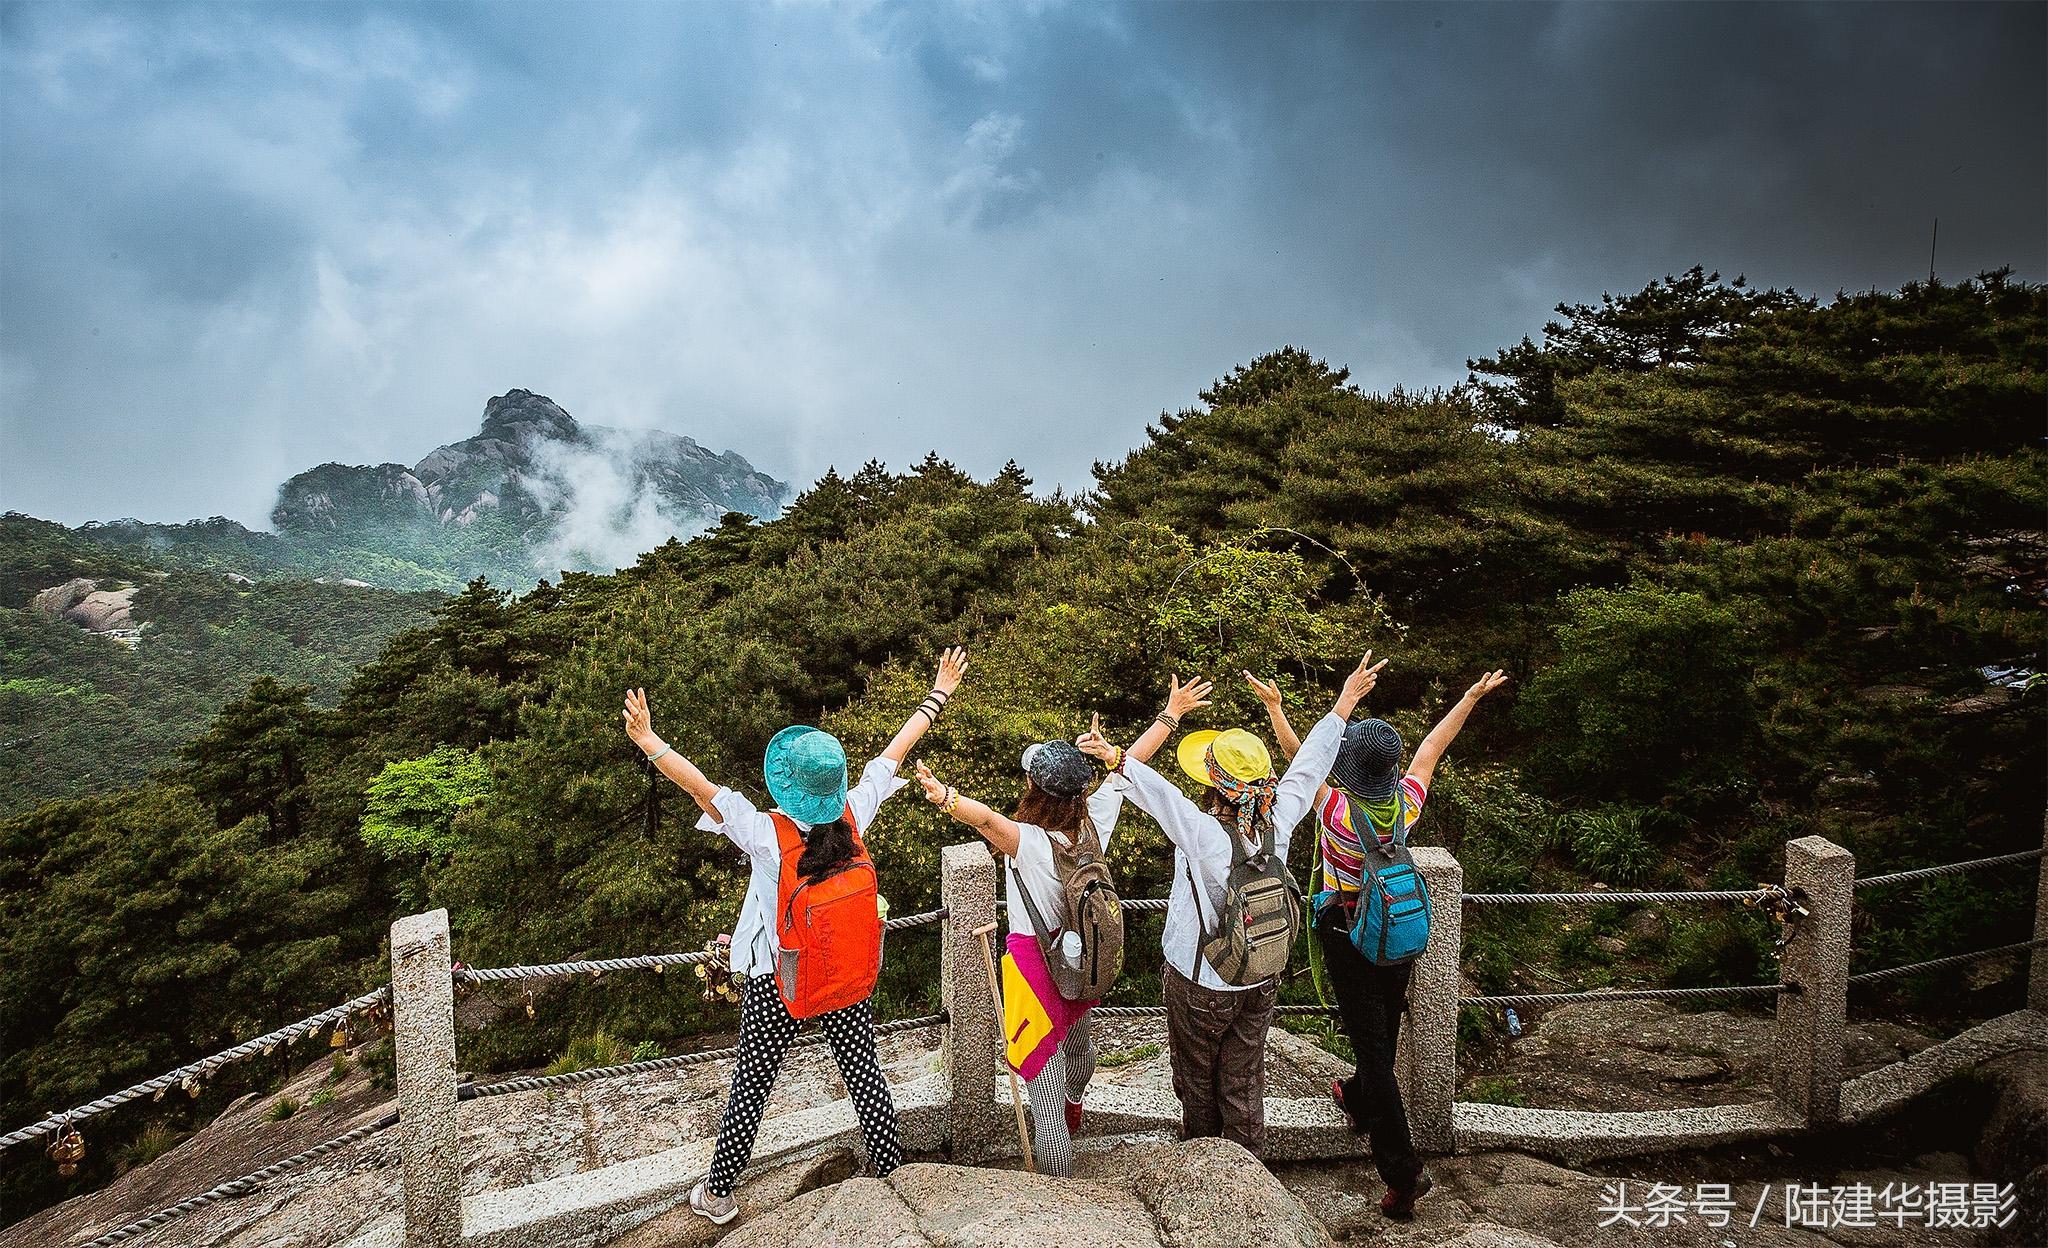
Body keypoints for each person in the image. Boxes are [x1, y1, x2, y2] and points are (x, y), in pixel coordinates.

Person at [620, 647, 969, 1225]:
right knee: (864, 1071)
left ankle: (720, 1194)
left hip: (776, 977)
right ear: (833, 788)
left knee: (752, 1085)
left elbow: (701, 788)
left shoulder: (764, 833)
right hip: (844, 969)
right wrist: (938, 693)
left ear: (786, 789)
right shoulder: (854, 813)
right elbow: (894, 752)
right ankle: (889, 1169)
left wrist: (649, 741)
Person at [1075, 653, 1385, 1157]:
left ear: (1214, 783)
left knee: (1196, 1082)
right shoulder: (1280, 816)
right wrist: (1345, 703)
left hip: (1200, 978)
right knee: (1243, 1082)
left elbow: (1159, 795)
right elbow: (1309, 766)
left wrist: (1114, 757)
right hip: (1261, 974)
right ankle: (1251, 1178)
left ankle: (1207, 1173)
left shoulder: (1201, 833)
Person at [914, 679, 1214, 1176]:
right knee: (1078, 1051)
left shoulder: (1031, 842)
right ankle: (1078, 1101)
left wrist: (945, 796)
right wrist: (1170, 714)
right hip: (1082, 963)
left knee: (1042, 1089)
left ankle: (1059, 1188)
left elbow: (987, 820)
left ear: (1036, 790)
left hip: (1035, 966)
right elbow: (1128, 767)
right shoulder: (1093, 818)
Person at [1248, 664, 1508, 1220]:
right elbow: (1432, 750)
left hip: (1348, 935)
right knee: (1384, 1023)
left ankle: (1402, 1170)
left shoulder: (1338, 810)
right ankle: (1362, 1095)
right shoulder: (1405, 806)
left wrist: (1276, 711)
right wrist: (1468, 697)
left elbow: (1305, 765)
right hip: (1398, 933)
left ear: (1350, 771)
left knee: (1373, 1046)